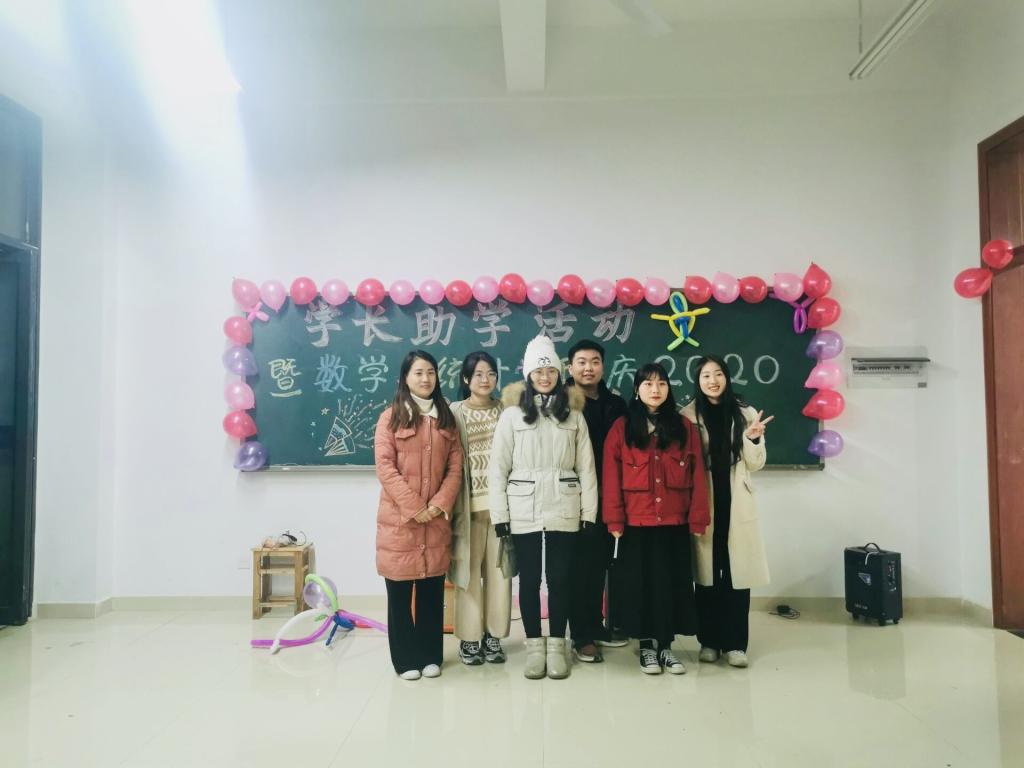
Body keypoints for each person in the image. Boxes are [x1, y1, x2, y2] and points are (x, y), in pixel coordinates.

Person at [490, 334, 598, 680]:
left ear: (559, 374)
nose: (545, 377)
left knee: (560, 579)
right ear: (528, 375)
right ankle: (535, 648)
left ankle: (557, 647)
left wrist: (589, 513)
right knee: (529, 580)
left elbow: (587, 468)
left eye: (550, 370)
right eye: (538, 372)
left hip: (564, 505)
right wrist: (500, 516)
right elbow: (498, 468)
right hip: (523, 508)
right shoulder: (511, 416)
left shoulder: (574, 415)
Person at [603, 363, 710, 674]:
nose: (655, 389)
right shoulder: (622, 428)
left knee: (670, 586)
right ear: (637, 390)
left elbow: (697, 476)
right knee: (640, 587)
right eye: (648, 384)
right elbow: (611, 477)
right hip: (636, 524)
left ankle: (666, 647)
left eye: (661, 383)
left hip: (674, 523)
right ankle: (647, 648)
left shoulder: (683, 427)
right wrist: (614, 520)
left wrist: (698, 518)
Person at [374, 350, 463, 680]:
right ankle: (405, 660)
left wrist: (439, 504)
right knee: (399, 596)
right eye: (418, 372)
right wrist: (415, 507)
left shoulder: (446, 419)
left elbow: (455, 467)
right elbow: (385, 467)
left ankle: (430, 655)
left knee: (431, 593)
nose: (426, 378)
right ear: (405, 378)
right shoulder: (390, 418)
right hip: (400, 522)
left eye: (431, 372)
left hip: (436, 521)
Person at [680, 355, 772, 669]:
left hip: (736, 501)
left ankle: (735, 645)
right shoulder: (687, 415)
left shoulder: (745, 413)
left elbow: (756, 464)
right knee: (706, 577)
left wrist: (753, 438)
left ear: (727, 378)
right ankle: (709, 641)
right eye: (706, 375)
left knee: (736, 575)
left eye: (718, 374)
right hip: (704, 501)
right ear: (698, 381)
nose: (713, 381)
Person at [565, 339, 629, 663]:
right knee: (579, 567)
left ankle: (596, 624)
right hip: (572, 497)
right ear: (570, 367)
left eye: (594, 361)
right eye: (581, 362)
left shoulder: (616, 404)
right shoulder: (561, 403)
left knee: (601, 563)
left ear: (603, 366)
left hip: (610, 496)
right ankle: (581, 635)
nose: (588, 368)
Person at [448, 351, 512, 666]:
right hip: (467, 509)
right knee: (468, 576)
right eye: (478, 374)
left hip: (501, 510)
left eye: (491, 373)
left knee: (501, 576)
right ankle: (470, 639)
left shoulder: (507, 410)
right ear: (466, 379)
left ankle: (494, 636)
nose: (485, 380)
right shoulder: (454, 412)